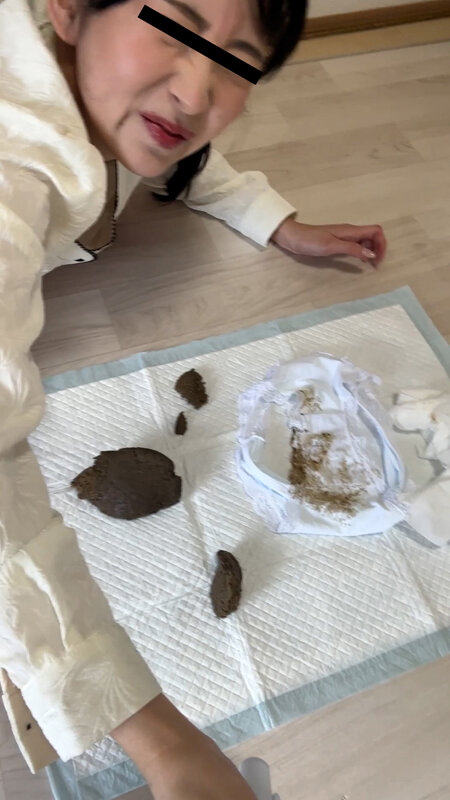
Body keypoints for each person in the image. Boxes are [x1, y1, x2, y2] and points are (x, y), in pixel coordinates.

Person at [0, 0, 387, 797]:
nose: (196, 92)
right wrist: (164, 743)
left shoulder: (110, 88)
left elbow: (186, 152)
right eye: (174, 26)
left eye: (238, 62)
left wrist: (278, 223)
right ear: (67, 6)